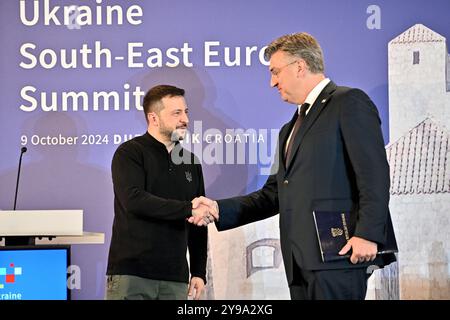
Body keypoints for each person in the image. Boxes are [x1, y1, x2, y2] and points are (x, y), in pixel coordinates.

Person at [190, 32, 396, 300]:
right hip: (299, 261)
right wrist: (218, 209)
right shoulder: (289, 130)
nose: (272, 82)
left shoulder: (348, 102)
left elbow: (374, 174)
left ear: (299, 66)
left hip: (339, 253)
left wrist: (367, 234)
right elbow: (273, 194)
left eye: (275, 72)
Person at [106, 85, 217, 300]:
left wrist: (198, 271)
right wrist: (188, 208)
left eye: (186, 112)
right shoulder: (130, 153)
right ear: (153, 118)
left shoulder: (191, 162)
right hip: (132, 275)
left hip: (175, 278)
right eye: (176, 113)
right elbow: (134, 200)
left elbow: (198, 223)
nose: (184, 119)